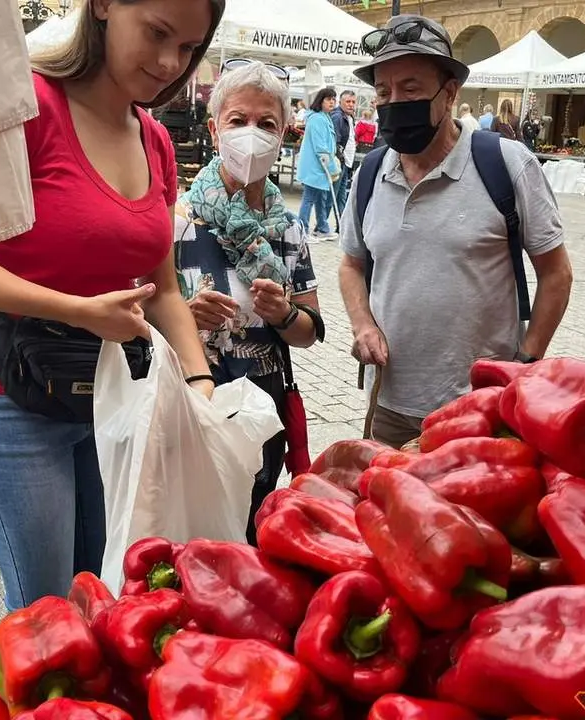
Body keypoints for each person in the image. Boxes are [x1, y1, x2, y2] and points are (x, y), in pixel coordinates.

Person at [0, 0, 225, 612]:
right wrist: (76, 308)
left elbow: (162, 288)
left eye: (187, 48)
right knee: (46, 615)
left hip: (108, 398)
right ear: (103, 6)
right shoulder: (26, 107)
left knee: (107, 597)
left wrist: (200, 381)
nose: (169, 63)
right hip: (9, 403)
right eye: (158, 33)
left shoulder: (155, 140)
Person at [339, 15, 573, 449]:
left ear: (449, 93)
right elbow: (351, 265)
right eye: (383, 92)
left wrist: (526, 362)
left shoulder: (507, 163)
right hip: (389, 401)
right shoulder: (370, 172)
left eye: (410, 89)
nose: (393, 102)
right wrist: (361, 325)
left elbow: (557, 273)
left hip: (479, 407)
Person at [174, 61, 323, 544]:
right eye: (238, 121)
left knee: (252, 529)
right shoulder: (177, 219)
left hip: (262, 410)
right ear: (215, 130)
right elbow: (138, 317)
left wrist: (283, 314)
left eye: (267, 124)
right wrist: (185, 314)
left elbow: (309, 331)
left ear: (284, 134)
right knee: (190, 530)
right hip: (192, 405)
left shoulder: (288, 229)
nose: (252, 135)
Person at [296, 86, 339, 241]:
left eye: (334, 99)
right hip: (315, 167)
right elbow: (321, 148)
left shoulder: (324, 117)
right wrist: (332, 168)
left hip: (319, 168)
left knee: (320, 197)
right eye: (329, 99)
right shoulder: (317, 119)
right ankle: (302, 230)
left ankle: (322, 227)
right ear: (321, 101)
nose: (332, 102)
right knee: (309, 198)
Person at [331, 90, 358, 228]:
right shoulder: (338, 117)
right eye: (348, 101)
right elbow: (335, 141)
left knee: (341, 196)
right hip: (340, 162)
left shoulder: (349, 117)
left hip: (347, 162)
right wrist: (339, 159)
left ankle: (341, 224)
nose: (351, 104)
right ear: (340, 102)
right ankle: (322, 225)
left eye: (353, 102)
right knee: (333, 195)